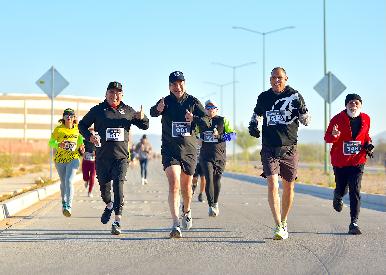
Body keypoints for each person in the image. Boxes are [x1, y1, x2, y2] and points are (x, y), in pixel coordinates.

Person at [78, 81, 149, 235]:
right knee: (105, 192)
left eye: (118, 93)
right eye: (111, 92)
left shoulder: (128, 111)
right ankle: (109, 205)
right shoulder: (98, 110)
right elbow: (82, 125)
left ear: (122, 95)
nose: (114, 95)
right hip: (102, 158)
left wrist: (143, 118)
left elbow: (145, 126)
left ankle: (117, 221)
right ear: (106, 94)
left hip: (121, 158)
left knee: (118, 186)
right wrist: (89, 136)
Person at [248, 67, 311, 240]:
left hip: (289, 147)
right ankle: (277, 225)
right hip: (269, 148)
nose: (277, 80)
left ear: (286, 79)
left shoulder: (295, 96)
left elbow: (306, 121)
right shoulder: (264, 97)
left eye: (280, 78)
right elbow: (257, 114)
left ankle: (284, 221)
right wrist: (253, 125)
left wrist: (302, 109)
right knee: (273, 185)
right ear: (270, 80)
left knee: (289, 186)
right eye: (273, 78)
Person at [150, 71, 205, 238]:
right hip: (170, 150)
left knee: (186, 187)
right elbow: (153, 112)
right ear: (169, 86)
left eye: (180, 83)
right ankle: (175, 224)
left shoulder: (193, 101)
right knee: (174, 183)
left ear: (184, 84)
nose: (177, 86)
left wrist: (194, 118)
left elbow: (206, 122)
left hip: (188, 151)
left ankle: (186, 210)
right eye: (174, 83)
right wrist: (157, 109)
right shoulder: (165, 101)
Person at [324, 93, 374, 235]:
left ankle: (354, 222)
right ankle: (338, 195)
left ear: (361, 105)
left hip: (358, 161)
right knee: (342, 188)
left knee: (355, 189)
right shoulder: (337, 119)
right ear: (346, 105)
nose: (354, 105)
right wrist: (334, 135)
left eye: (357, 102)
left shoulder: (366, 119)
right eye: (351, 102)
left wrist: (368, 144)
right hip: (340, 162)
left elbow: (365, 136)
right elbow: (327, 138)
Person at [196, 99, 236, 217]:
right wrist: (199, 138)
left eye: (212, 108)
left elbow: (233, 136)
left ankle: (216, 202)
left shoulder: (222, 120)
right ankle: (211, 205)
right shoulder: (201, 121)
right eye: (207, 108)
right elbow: (196, 135)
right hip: (205, 156)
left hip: (219, 156)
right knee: (208, 178)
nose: (210, 110)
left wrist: (219, 136)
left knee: (216, 179)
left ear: (216, 109)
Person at [49, 108, 85, 217]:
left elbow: (80, 142)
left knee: (69, 181)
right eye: (67, 115)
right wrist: (58, 144)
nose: (69, 117)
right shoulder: (58, 129)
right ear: (63, 117)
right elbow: (51, 142)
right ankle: (64, 201)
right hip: (60, 160)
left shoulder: (78, 129)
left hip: (73, 158)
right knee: (63, 182)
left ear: (74, 118)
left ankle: (68, 206)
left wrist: (82, 148)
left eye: (71, 115)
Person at [82, 127, 96, 197]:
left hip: (93, 163)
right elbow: (80, 150)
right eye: (90, 134)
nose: (91, 135)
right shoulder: (84, 142)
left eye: (93, 133)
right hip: (85, 161)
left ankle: (90, 192)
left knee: (92, 177)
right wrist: (82, 152)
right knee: (85, 177)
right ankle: (86, 181)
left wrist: (96, 154)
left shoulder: (97, 143)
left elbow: (101, 151)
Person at [192, 138, 206, 203]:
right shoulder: (193, 137)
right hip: (194, 162)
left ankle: (201, 194)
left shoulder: (204, 137)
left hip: (203, 162)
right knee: (194, 179)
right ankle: (194, 185)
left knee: (203, 178)